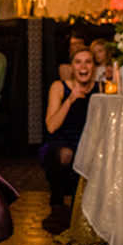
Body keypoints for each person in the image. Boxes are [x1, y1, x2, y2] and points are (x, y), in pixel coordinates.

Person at [41, 47, 100, 207]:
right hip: (62, 141)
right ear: (72, 67)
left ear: (94, 66)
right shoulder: (59, 87)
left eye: (88, 62)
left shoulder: (101, 88)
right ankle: (57, 200)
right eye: (78, 62)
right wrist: (69, 100)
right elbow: (51, 127)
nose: (83, 67)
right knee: (66, 154)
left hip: (89, 141)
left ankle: (80, 204)